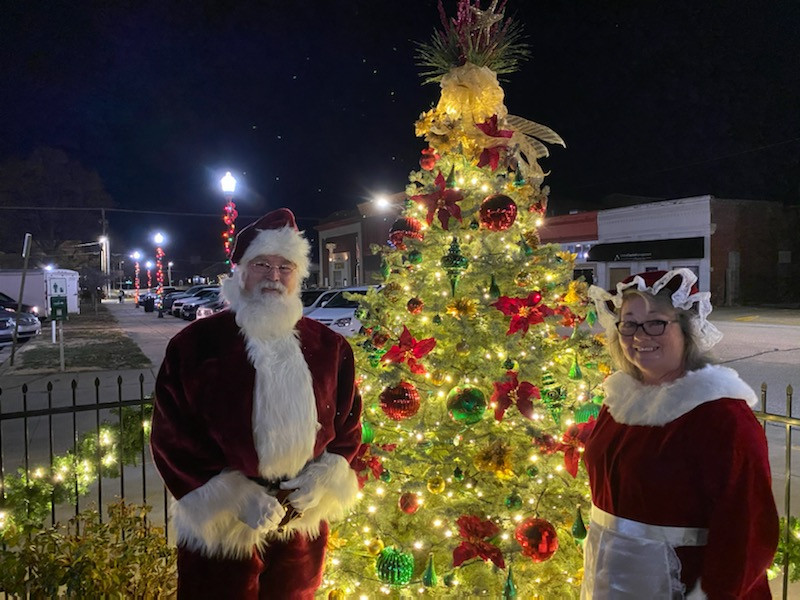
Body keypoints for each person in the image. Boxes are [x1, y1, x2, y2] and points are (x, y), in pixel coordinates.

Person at [151, 208, 362, 599]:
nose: (274, 276)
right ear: (240, 271)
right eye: (262, 264)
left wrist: (324, 479)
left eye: (286, 266)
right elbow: (171, 435)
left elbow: (348, 426)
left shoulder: (330, 347)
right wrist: (233, 495)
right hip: (223, 532)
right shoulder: (196, 346)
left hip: (300, 526)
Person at [582, 269, 778, 599]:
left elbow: (747, 535)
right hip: (608, 579)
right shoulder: (618, 400)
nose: (640, 336)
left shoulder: (720, 416)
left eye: (656, 321)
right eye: (629, 323)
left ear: (687, 329)